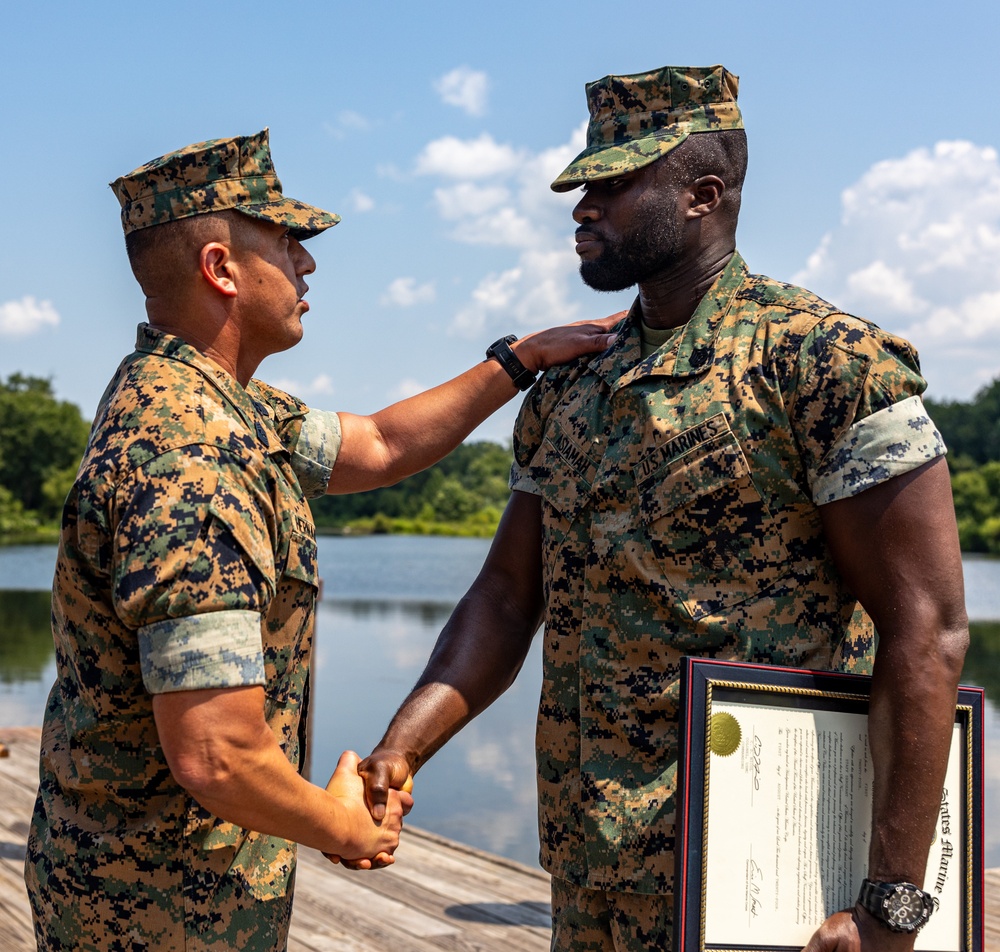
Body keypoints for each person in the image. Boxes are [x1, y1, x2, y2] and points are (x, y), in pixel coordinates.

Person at [357, 65, 970, 951]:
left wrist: (893, 906)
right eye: (580, 185)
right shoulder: (569, 386)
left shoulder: (824, 363)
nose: (582, 206)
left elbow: (929, 626)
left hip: (762, 878)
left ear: (703, 195)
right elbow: (503, 599)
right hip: (591, 863)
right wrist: (400, 749)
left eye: (612, 184)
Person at [23, 128, 619, 952]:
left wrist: (516, 361)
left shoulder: (216, 402)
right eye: (286, 242)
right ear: (222, 270)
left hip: (161, 889)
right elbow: (216, 752)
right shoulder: (189, 455)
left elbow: (374, 444)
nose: (308, 266)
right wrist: (342, 826)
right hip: (157, 910)